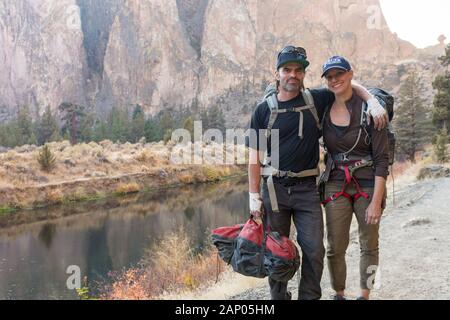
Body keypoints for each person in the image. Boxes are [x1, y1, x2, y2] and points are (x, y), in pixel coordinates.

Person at [248, 46, 388, 300]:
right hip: (274, 189)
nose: (292, 75)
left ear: (304, 74)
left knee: (314, 250)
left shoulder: (316, 98)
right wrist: (252, 195)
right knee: (275, 250)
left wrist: (372, 100)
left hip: (307, 189)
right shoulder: (262, 110)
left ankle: (310, 297)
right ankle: (279, 297)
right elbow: (253, 158)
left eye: (298, 70)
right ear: (277, 73)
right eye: (287, 69)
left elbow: (345, 84)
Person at [320, 56, 389, 300]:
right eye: (329, 76)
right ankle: (339, 294)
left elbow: (382, 160)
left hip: (369, 183)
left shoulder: (372, 112)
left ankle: (365, 294)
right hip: (335, 184)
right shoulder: (324, 106)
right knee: (335, 246)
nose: (334, 79)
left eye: (339, 74)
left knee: (369, 244)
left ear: (351, 74)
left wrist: (376, 201)